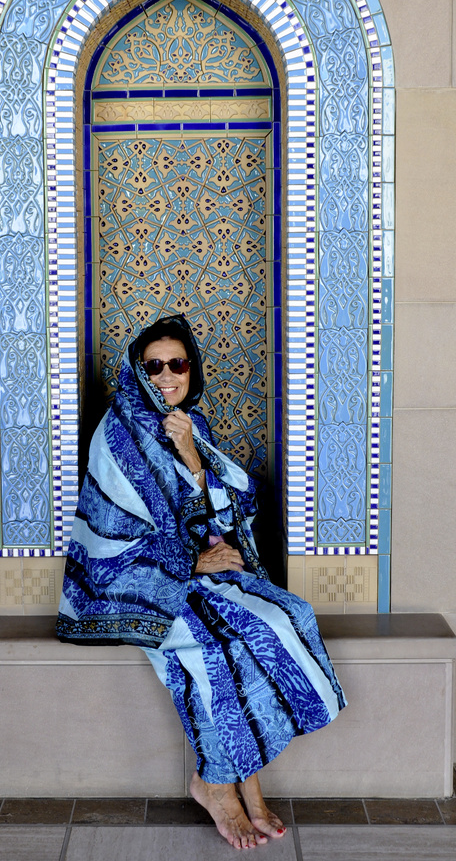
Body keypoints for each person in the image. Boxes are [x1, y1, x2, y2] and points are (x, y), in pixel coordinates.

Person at [57, 315, 346, 850]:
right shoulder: (118, 433)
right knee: (219, 648)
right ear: (137, 371)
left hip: (202, 575)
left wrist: (191, 451)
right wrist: (191, 565)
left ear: (192, 370)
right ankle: (218, 783)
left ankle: (243, 780)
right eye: (155, 365)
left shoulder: (195, 427)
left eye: (178, 364)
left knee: (290, 617)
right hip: (136, 586)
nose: (168, 375)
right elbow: (110, 534)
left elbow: (226, 512)